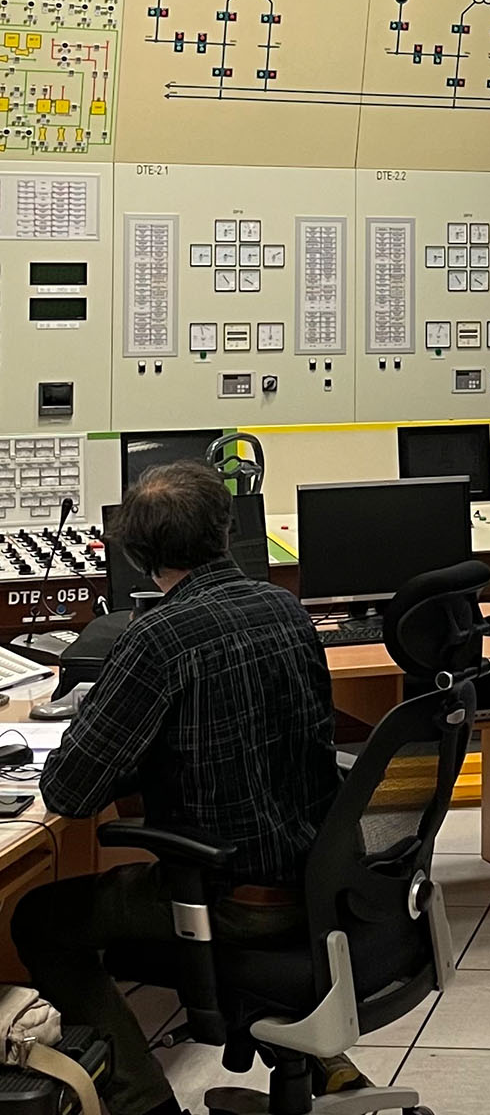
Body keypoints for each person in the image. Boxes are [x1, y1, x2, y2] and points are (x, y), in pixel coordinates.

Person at [12, 460, 344, 1115]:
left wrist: (98, 717)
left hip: (234, 898)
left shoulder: (159, 638)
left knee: (40, 918)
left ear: (138, 556)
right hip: (318, 878)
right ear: (226, 530)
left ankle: (144, 1103)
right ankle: (321, 1059)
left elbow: (71, 792)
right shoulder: (284, 607)